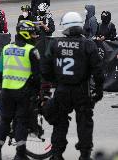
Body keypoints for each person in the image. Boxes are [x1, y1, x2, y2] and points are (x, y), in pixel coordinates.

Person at [41, 12, 104, 160]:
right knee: (84, 123)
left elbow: (45, 68)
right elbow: (98, 70)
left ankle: (56, 154)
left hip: (62, 89)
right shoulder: (88, 44)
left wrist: (55, 81)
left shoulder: (55, 43)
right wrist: (99, 91)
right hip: (82, 90)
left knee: (60, 122)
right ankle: (84, 155)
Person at [0, 20, 41, 160]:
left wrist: (2, 88)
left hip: (6, 92)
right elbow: (37, 76)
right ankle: (20, 155)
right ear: (25, 34)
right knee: (21, 122)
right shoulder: (31, 51)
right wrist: (37, 93)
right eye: (32, 33)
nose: (34, 36)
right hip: (23, 93)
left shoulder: (6, 48)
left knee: (5, 122)